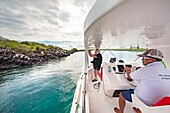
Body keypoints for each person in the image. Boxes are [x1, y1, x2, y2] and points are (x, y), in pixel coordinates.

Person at [114, 49, 170, 113]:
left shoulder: (144, 70)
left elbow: (130, 76)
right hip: (161, 103)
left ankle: (120, 111)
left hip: (145, 101)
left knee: (121, 94)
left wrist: (128, 71)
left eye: (144, 58)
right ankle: (140, 110)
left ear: (153, 59)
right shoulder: (167, 70)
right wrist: (141, 70)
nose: (142, 60)